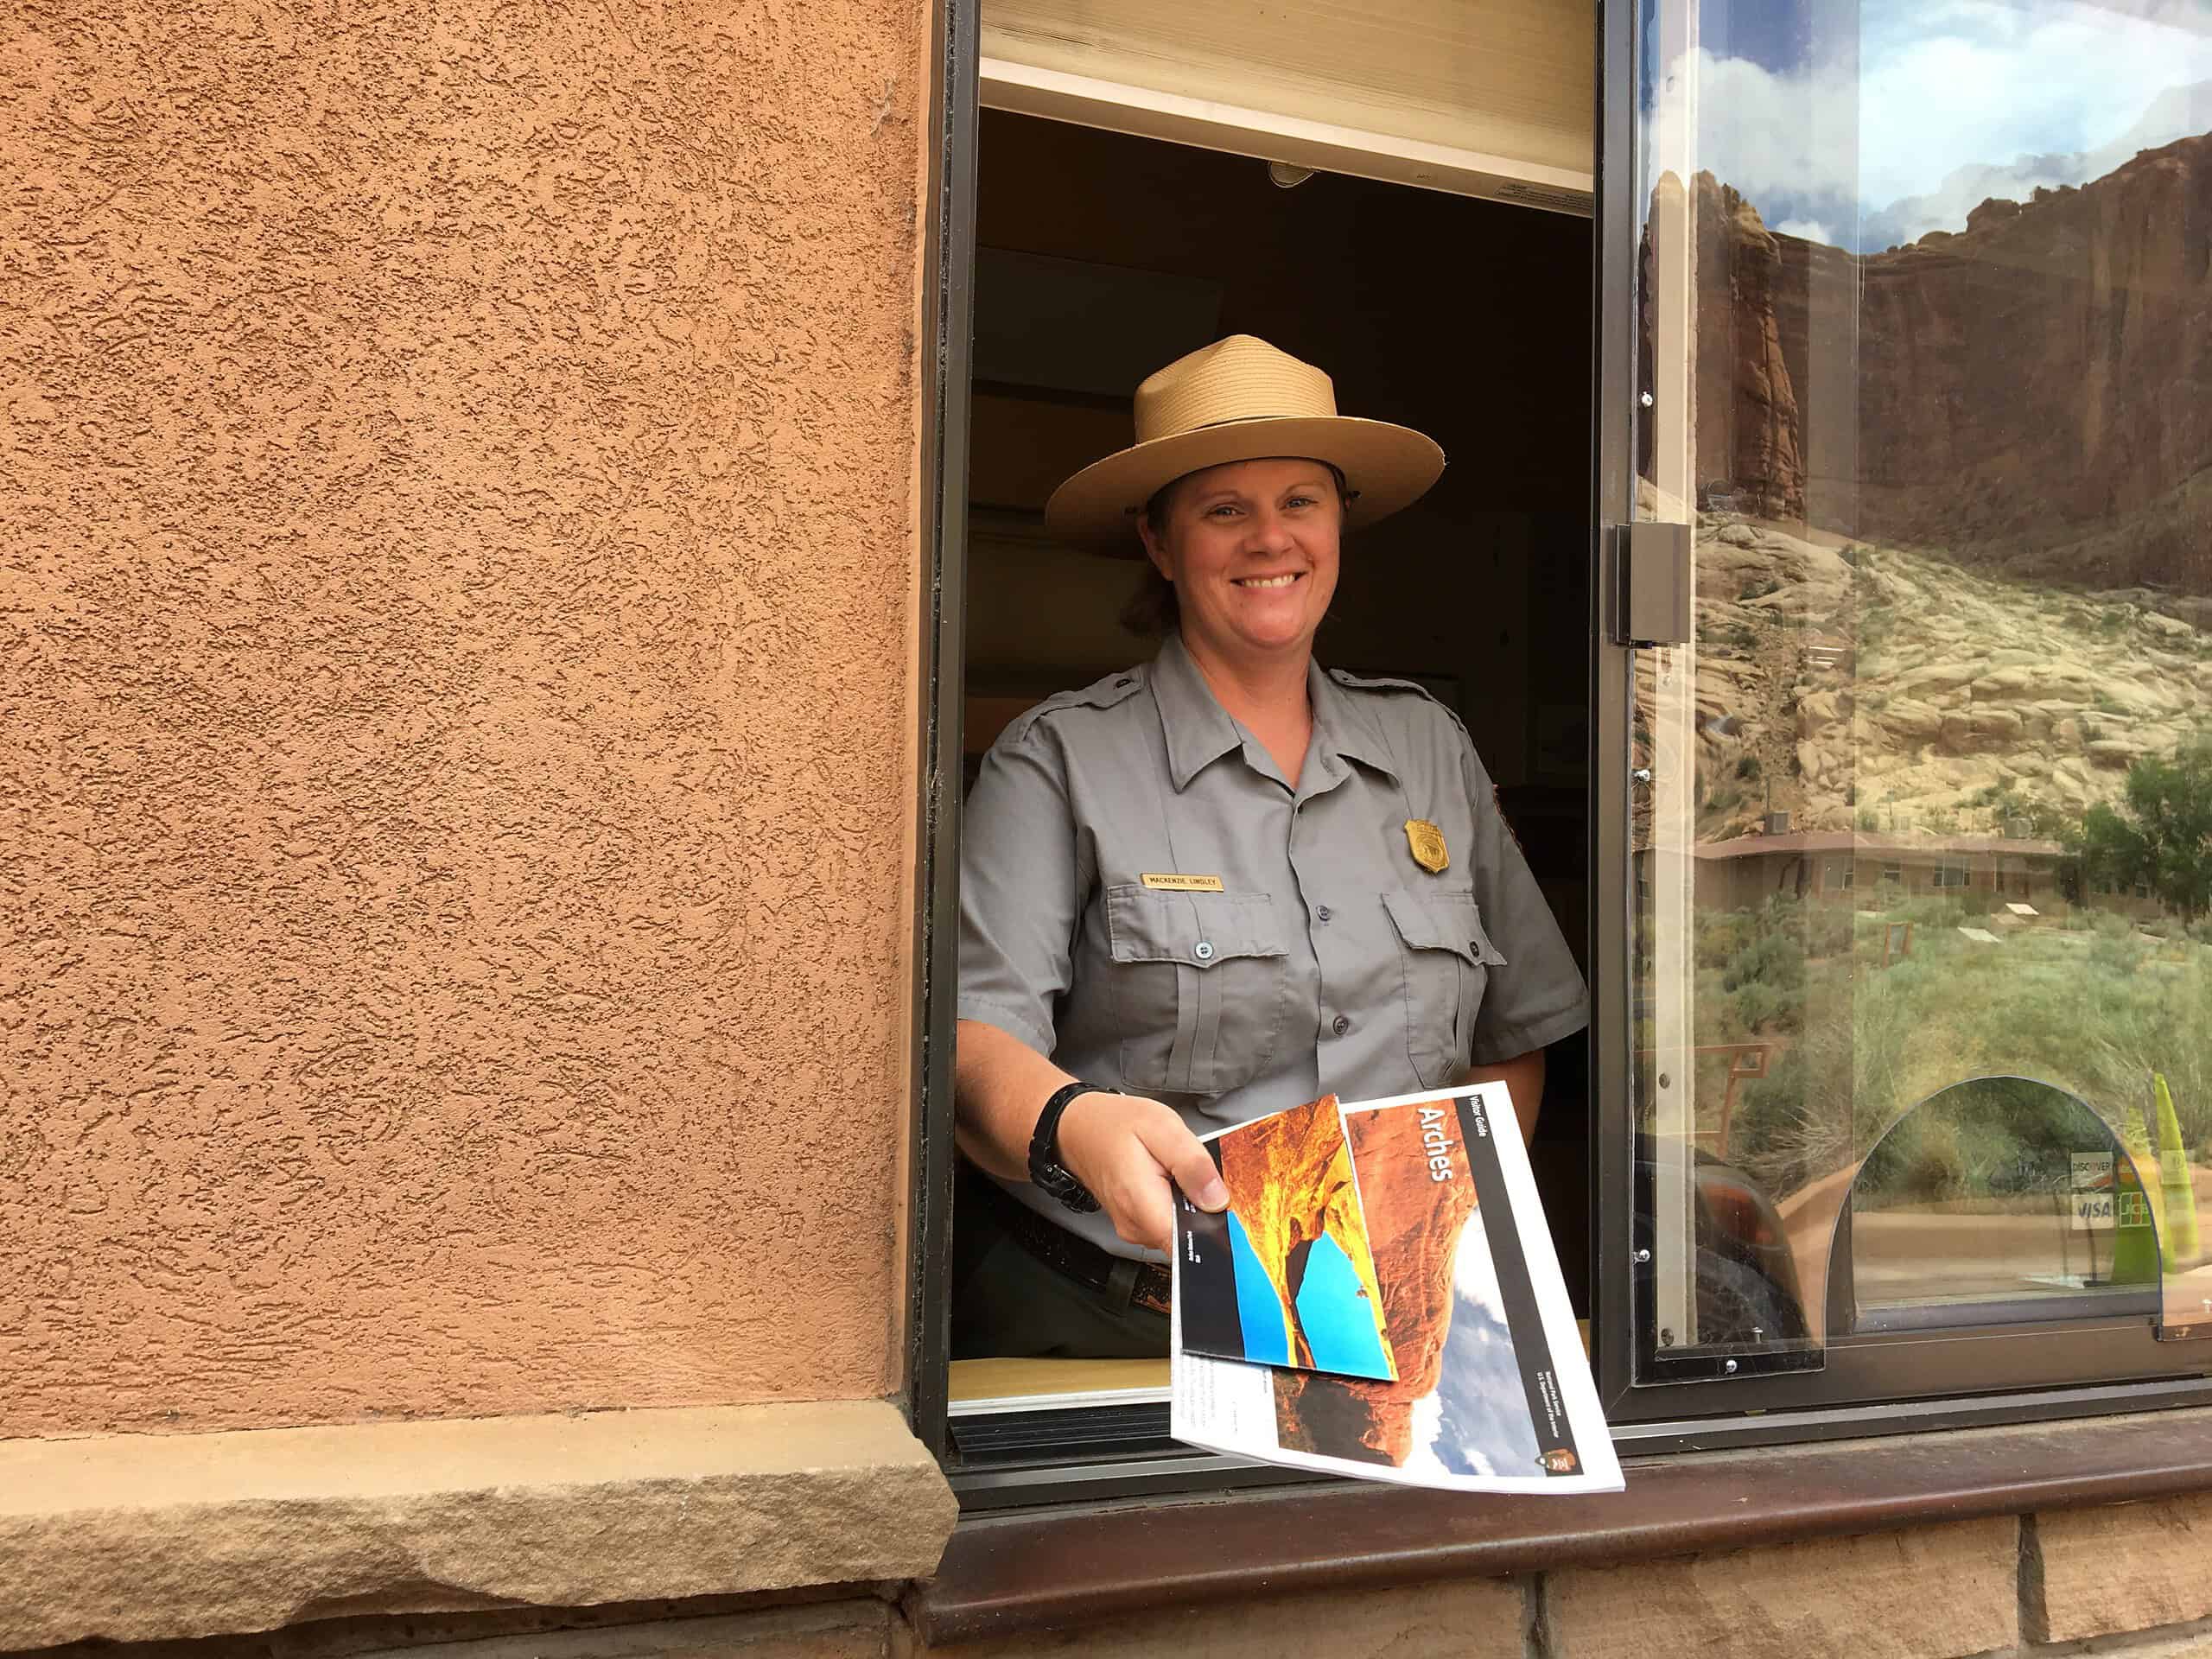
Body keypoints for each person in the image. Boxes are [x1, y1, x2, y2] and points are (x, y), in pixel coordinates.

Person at [952, 334, 1589, 1359]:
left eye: (1300, 501)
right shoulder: (1059, 762)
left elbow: (1516, 1033)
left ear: (1339, 524)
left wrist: (1446, 1222)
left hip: (1391, 1317)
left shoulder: (1426, 746)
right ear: (1160, 543)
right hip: (1124, 1321)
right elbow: (974, 1047)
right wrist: (1074, 1126)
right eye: (1223, 510)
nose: (1268, 539)